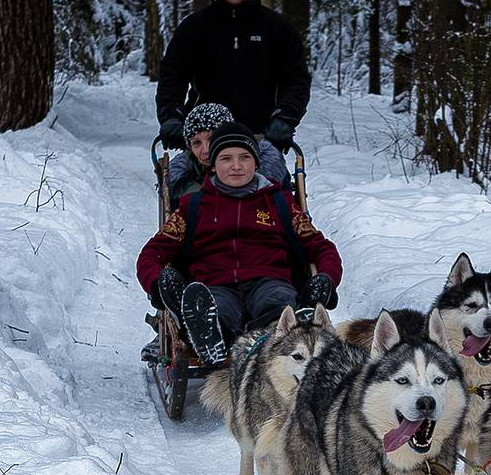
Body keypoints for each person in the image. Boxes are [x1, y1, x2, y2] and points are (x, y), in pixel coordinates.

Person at [138, 123, 340, 366]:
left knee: (279, 302)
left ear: (256, 162)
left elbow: (321, 248)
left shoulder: (280, 203)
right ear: (213, 165)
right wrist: (156, 285)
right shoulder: (193, 206)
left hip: (268, 280)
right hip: (215, 284)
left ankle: (275, 336)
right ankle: (211, 338)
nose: (236, 166)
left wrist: (326, 278)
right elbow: (152, 253)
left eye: (244, 157)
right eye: (226, 159)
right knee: (216, 309)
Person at [156, 0, 310, 154]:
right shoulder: (194, 28)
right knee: (181, 176)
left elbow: (296, 80)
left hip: (262, 138)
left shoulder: (278, 29)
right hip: (204, 141)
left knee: (273, 178)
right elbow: (172, 77)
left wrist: (285, 118)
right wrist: (171, 116)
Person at [167, 102, 288, 206]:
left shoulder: (267, 170)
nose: (205, 150)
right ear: (189, 147)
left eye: (211, 139)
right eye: (196, 143)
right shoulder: (182, 179)